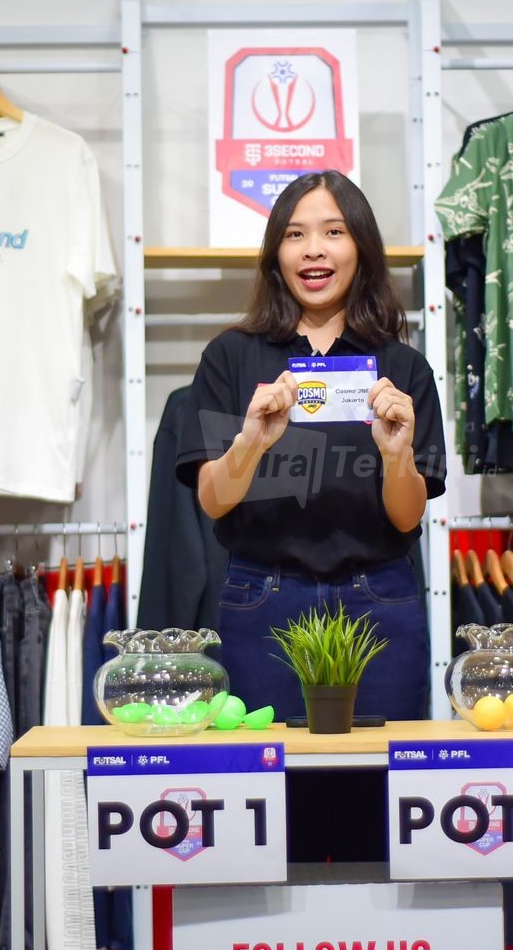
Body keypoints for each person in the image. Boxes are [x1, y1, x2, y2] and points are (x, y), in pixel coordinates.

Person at [174, 170, 446, 721]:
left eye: (333, 232)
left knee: (380, 767)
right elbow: (213, 500)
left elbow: (407, 516)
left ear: (361, 248)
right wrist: (251, 441)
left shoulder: (403, 367)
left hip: (379, 600)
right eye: (295, 234)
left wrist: (397, 455)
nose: (313, 249)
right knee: (267, 770)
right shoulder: (230, 357)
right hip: (262, 599)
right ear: (275, 254)